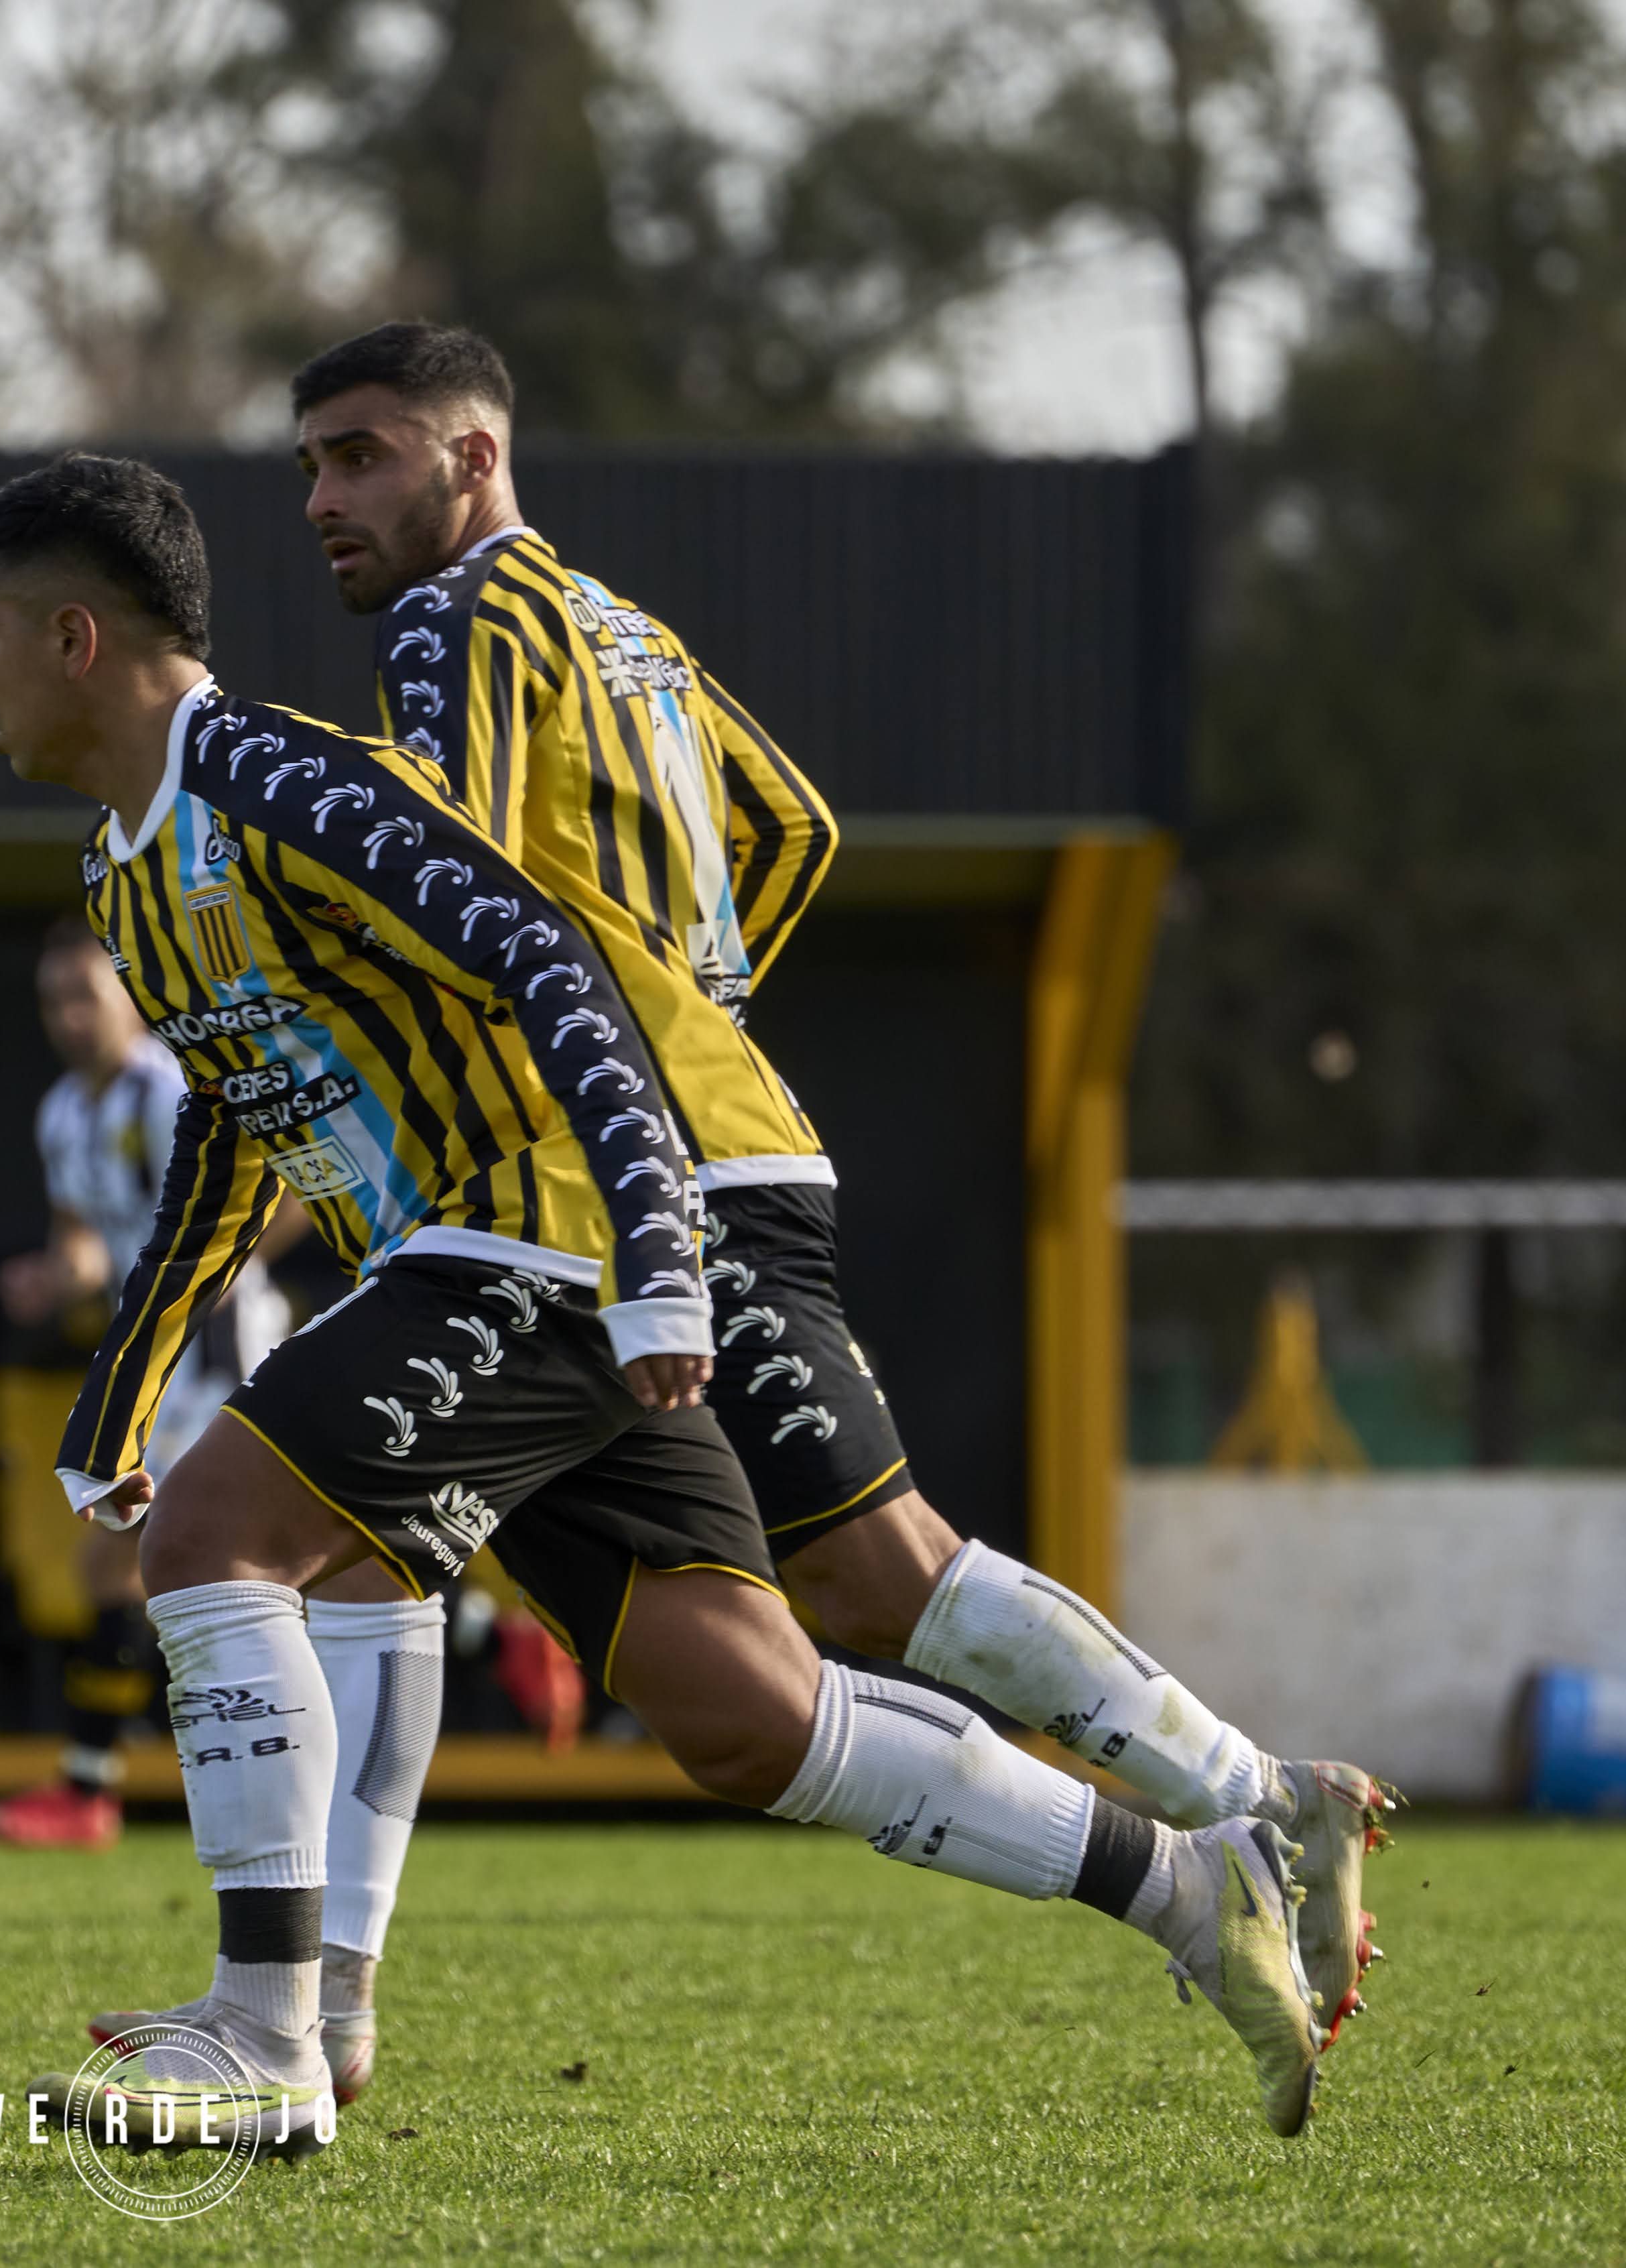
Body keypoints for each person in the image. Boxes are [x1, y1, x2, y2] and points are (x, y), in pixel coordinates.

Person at [0, 452, 1328, 2148]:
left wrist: (662, 1260)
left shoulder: (274, 774)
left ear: (74, 638)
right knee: (743, 1713)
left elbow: (547, 957)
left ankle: (268, 2032)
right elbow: (241, 1121)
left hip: (536, 1248)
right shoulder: (126, 871)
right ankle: (1186, 1888)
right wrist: (116, 1399)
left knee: (219, 1541)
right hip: (474, 1267)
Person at [265, 320, 1395, 2101]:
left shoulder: (456, 617)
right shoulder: (627, 628)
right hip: (681, 1140)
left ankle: (1258, 1805)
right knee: (729, 1680)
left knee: (872, 1565)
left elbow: (460, 877)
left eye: (363, 454)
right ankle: (318, 2011)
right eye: (312, 464)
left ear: (473, 459)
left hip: (650, 1168)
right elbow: (792, 827)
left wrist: (613, 1036)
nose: (326, 497)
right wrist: (698, 997)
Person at [0, 920, 294, 1850]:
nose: (69, 1017)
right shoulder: (63, 1111)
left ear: (128, 1000)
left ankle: (89, 1789)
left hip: (220, 1355)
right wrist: (50, 1275)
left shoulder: (174, 1088)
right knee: (244, 1563)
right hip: (153, 1367)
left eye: (85, 995)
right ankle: (478, 1630)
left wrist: (196, 1281)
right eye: (53, 999)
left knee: (120, 1557)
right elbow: (81, 1242)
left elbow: (291, 1193)